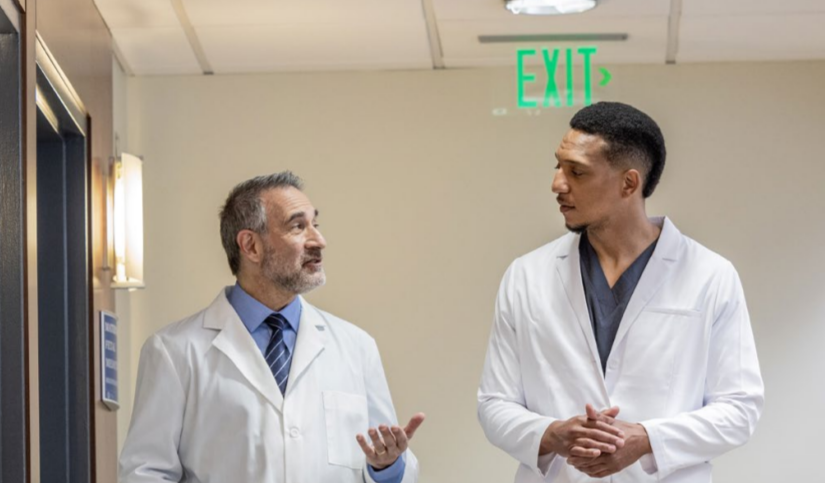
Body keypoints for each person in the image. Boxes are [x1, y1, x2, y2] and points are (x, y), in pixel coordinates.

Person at [477, 102, 764, 483]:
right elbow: (494, 403)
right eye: (558, 165)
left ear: (629, 184)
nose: (557, 184)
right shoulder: (525, 276)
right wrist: (551, 434)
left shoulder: (711, 276)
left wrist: (647, 439)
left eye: (576, 172)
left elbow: (740, 409)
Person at [119, 172, 424, 483]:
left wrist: (387, 467)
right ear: (250, 245)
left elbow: (391, 463)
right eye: (297, 226)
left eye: (315, 224)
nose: (319, 240)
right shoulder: (174, 351)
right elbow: (145, 473)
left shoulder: (357, 347)